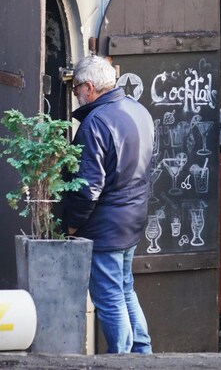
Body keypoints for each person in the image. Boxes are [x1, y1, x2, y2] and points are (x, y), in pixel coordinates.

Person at [61, 55, 154, 354]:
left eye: (76, 88)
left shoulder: (95, 123)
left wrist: (72, 224)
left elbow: (88, 188)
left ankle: (123, 360)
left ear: (88, 87)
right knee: (125, 290)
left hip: (105, 226)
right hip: (133, 218)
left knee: (110, 298)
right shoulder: (138, 110)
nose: (76, 94)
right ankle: (143, 355)